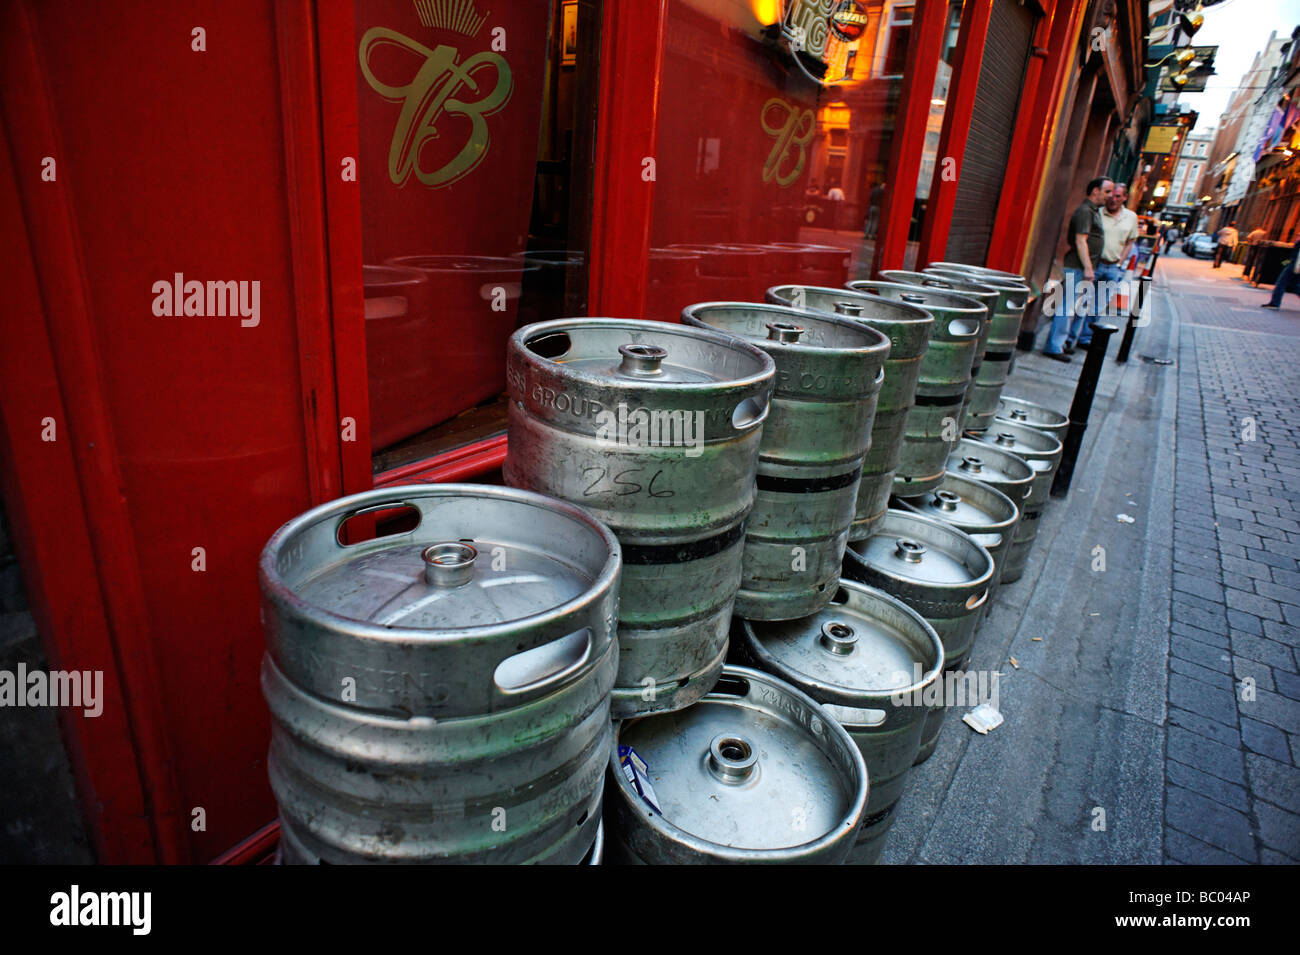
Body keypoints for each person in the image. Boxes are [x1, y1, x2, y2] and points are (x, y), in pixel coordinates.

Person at [1044, 176, 1112, 362]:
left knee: (1075, 307)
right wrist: (1089, 268)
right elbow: (1080, 241)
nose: (1110, 196)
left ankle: (1063, 342)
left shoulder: (1093, 211)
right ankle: (1054, 346)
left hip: (1083, 268)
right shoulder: (1084, 211)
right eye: (1107, 191)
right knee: (1067, 307)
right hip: (1077, 267)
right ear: (1095, 191)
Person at [1098, 183, 1139, 320]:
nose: (1113, 199)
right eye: (1111, 195)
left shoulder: (1131, 217)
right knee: (1082, 303)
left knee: (1098, 306)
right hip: (1095, 264)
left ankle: (1085, 339)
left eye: (1118, 196)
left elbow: (1130, 242)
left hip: (1113, 267)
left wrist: (1119, 263)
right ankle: (1070, 338)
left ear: (1125, 197)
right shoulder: (1098, 213)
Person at [1261, 235, 1300, 308]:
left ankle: (1275, 303)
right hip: (1295, 265)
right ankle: (1275, 303)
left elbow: (1295, 254)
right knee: (1295, 285)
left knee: (1281, 283)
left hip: (1294, 265)